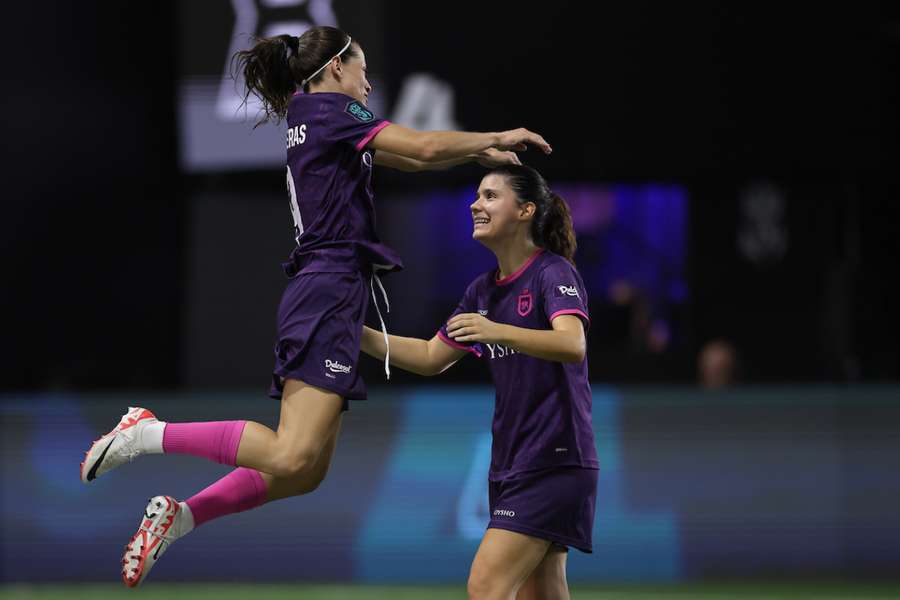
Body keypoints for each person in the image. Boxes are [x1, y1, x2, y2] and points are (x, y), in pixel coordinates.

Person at [78, 26, 551, 587]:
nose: (368, 82)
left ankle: (179, 517)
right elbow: (421, 147)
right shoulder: (330, 110)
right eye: (361, 70)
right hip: (326, 288)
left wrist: (478, 151)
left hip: (329, 290)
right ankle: (145, 433)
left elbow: (417, 162)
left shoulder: (316, 116)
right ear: (334, 71)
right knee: (289, 452)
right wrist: (499, 135)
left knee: (305, 472)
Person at [360, 165, 598, 600]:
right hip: (512, 460)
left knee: (486, 587)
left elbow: (572, 344)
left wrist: (496, 331)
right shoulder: (482, 291)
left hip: (554, 458)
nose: (476, 204)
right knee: (541, 593)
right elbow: (432, 357)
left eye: (490, 196)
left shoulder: (552, 273)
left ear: (525, 210)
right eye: (477, 195)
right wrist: (355, 335)